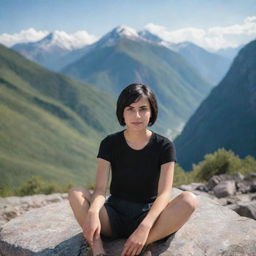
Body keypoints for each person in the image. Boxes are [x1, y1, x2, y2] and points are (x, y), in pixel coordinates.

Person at [68, 83, 198, 256]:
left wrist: (144, 227)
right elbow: (100, 190)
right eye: (130, 109)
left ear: (152, 112)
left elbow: (164, 194)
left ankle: (142, 243)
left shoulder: (164, 146)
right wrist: (92, 213)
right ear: (122, 112)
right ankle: (97, 249)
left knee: (189, 200)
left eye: (143, 108)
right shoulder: (109, 143)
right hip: (112, 215)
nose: (137, 115)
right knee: (76, 192)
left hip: (148, 214)